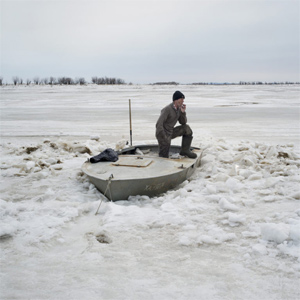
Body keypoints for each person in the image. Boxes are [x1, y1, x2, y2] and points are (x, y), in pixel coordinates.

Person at [156, 91, 197, 159]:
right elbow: (158, 124)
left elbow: (183, 122)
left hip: (171, 132)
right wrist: (164, 137)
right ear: (176, 100)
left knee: (186, 129)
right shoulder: (167, 109)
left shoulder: (178, 109)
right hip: (163, 134)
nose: (183, 101)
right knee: (163, 157)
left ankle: (185, 150)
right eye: (182, 99)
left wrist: (182, 112)